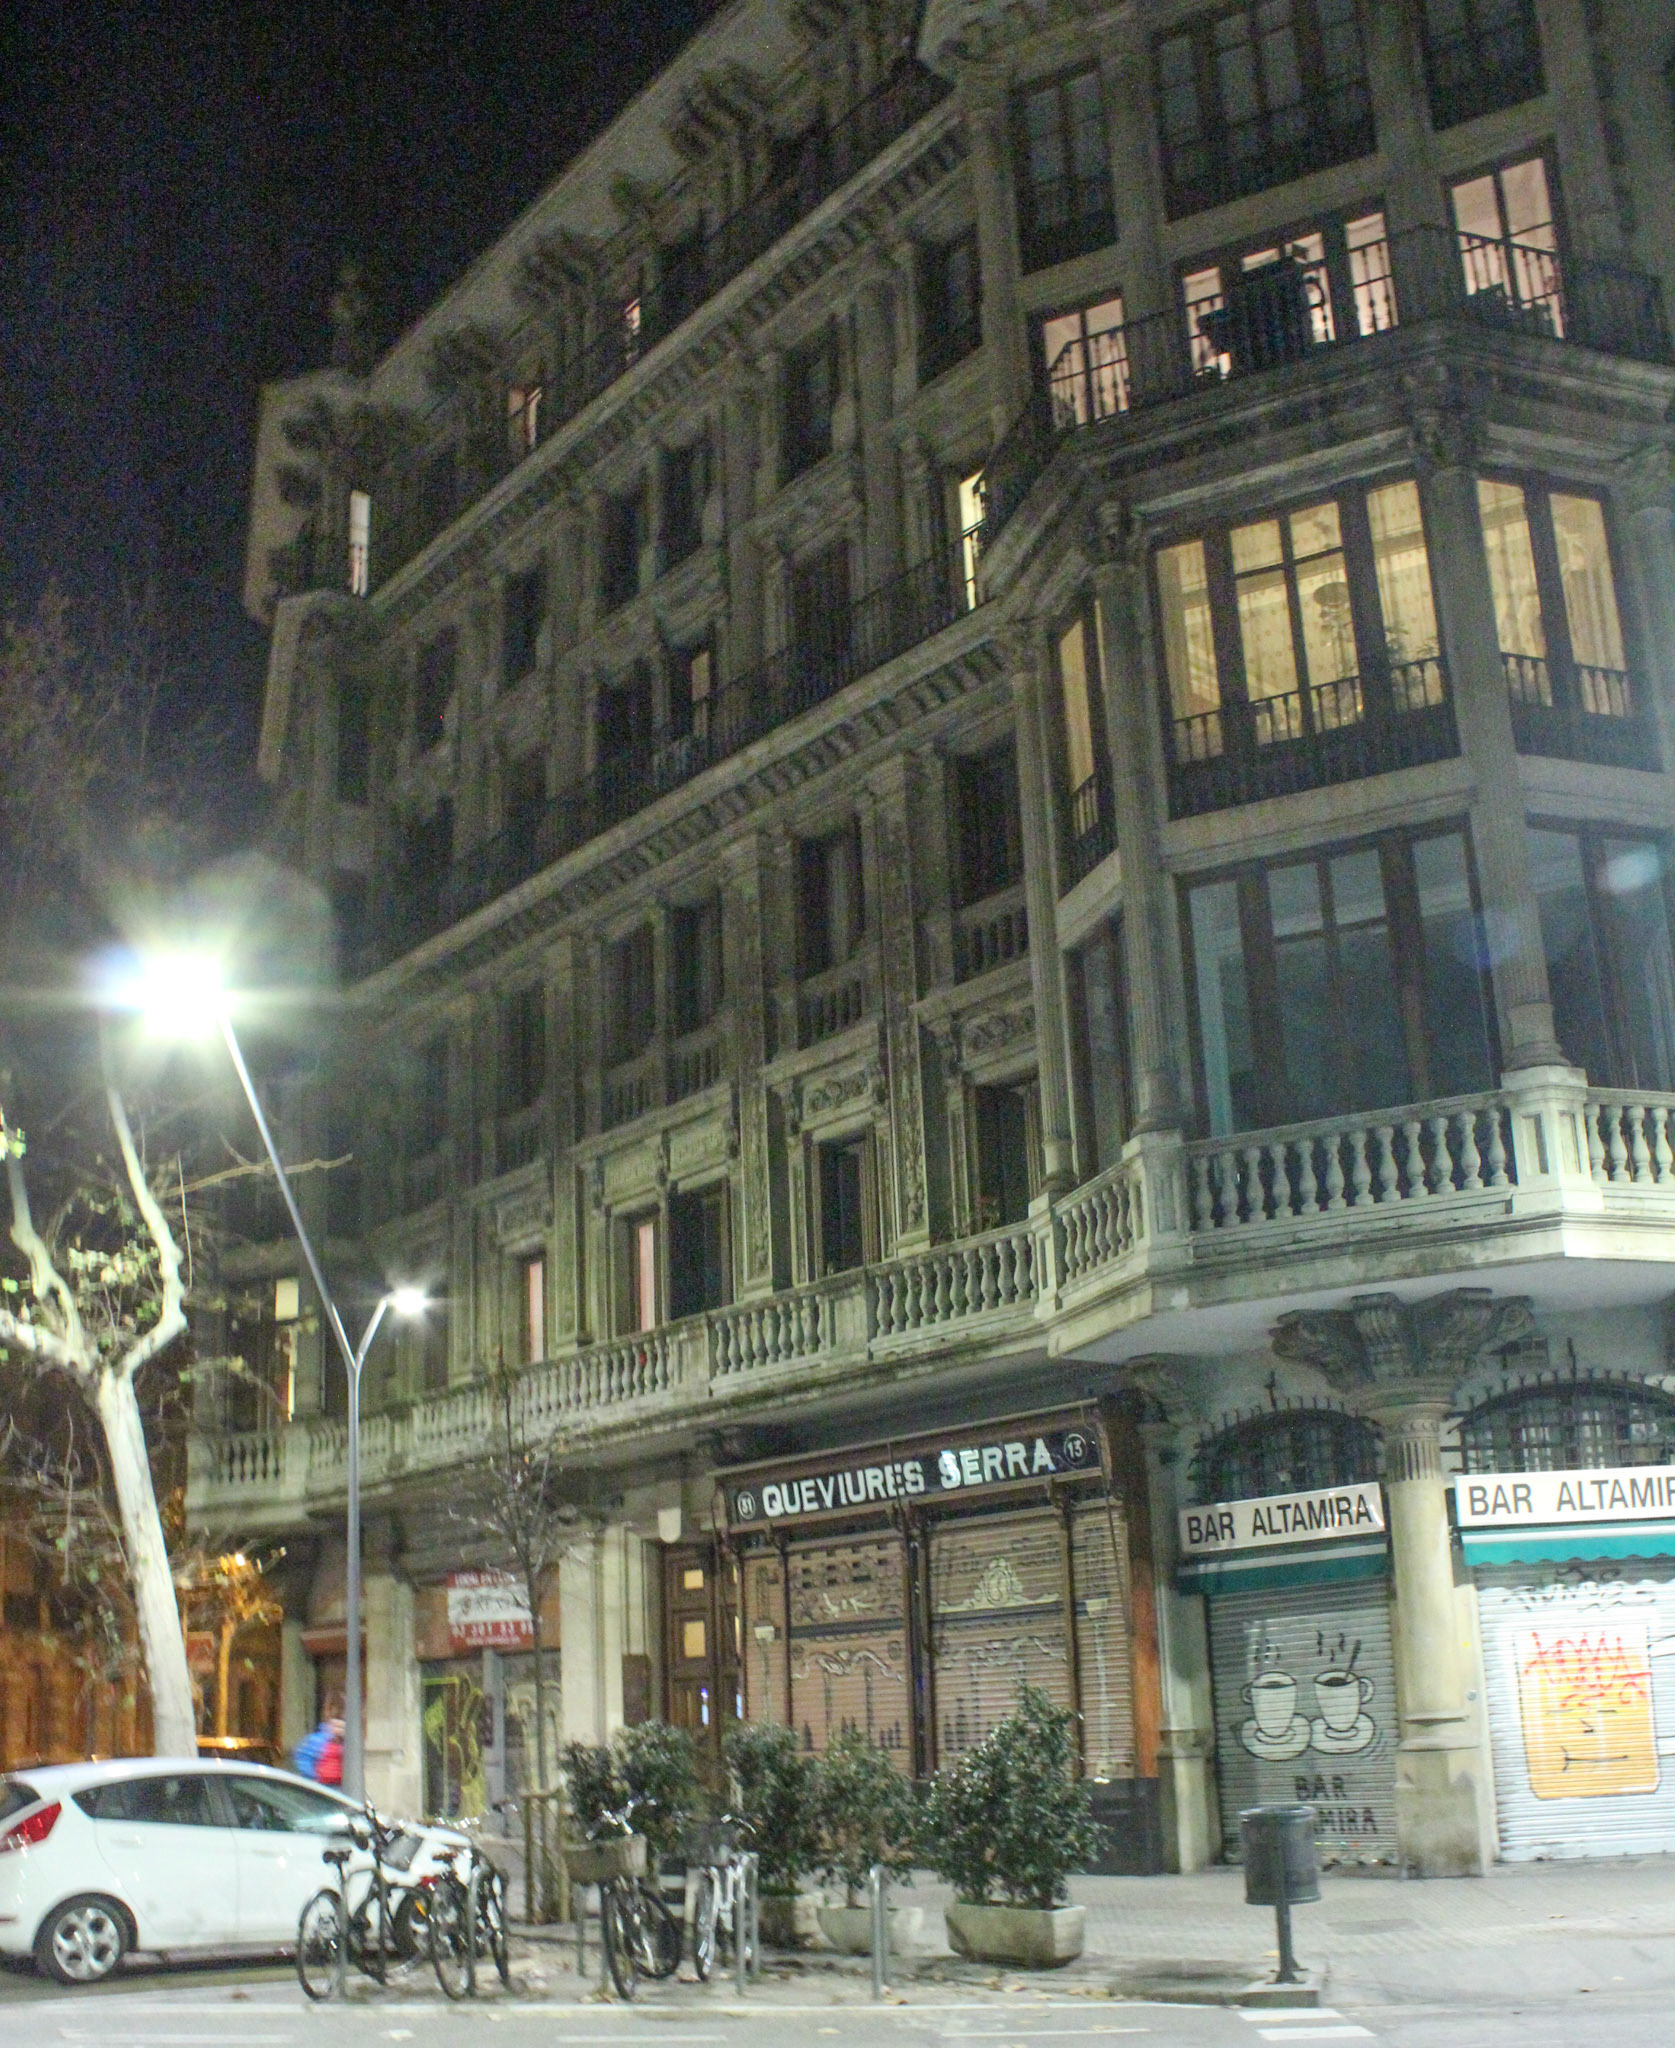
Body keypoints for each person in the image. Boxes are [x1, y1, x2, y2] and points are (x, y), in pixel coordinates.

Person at [294, 1699, 346, 1783]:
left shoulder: (345, 1743)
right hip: (320, 1783)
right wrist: (312, 1777)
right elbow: (303, 1759)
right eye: (335, 1725)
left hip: (340, 1784)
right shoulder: (316, 1740)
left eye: (340, 1727)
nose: (337, 1729)